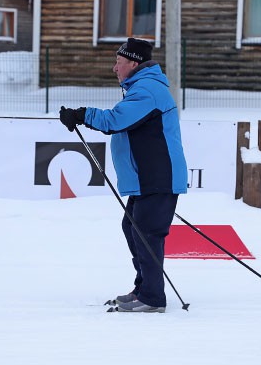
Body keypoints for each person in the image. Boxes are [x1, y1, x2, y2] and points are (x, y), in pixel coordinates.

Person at [59, 38, 188, 313]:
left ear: (133, 63)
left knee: (146, 234)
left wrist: (81, 115)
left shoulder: (147, 90)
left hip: (157, 178)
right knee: (133, 228)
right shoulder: (141, 88)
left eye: (118, 62)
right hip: (147, 179)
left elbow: (115, 120)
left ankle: (153, 298)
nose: (114, 68)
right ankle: (143, 288)